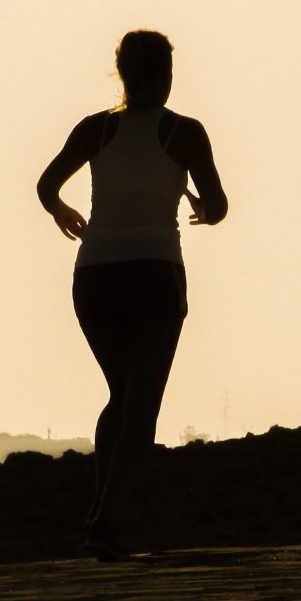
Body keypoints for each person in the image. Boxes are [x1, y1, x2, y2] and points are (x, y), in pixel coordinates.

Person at [37, 30, 227, 560]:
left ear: (121, 74)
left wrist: (61, 210)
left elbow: (46, 185)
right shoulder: (184, 132)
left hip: (95, 274)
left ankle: (101, 510)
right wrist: (199, 206)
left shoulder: (95, 129)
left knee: (121, 397)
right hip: (154, 273)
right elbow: (217, 206)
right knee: (140, 408)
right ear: (165, 74)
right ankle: (107, 521)